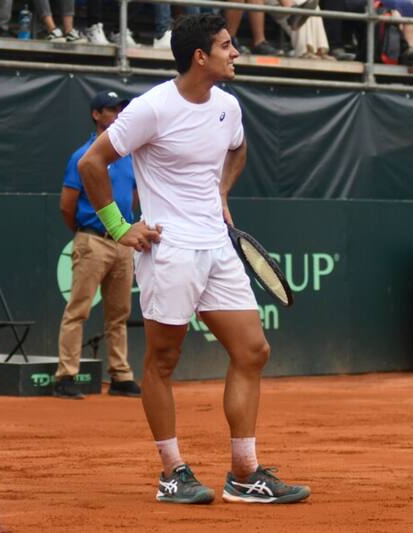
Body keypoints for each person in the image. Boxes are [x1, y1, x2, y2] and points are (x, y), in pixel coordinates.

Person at [77, 14, 310, 504]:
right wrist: (121, 227)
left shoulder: (228, 106)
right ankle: (171, 471)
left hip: (218, 245)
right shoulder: (151, 109)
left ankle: (244, 473)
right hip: (171, 249)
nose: (236, 53)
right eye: (228, 46)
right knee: (164, 360)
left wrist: (220, 193)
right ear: (200, 57)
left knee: (253, 351)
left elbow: (237, 151)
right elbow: (91, 164)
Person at [55, 91, 141, 400]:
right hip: (92, 241)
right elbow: (67, 205)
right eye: (111, 109)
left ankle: (120, 376)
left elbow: (132, 198)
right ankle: (66, 375)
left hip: (123, 244)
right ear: (96, 115)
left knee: (119, 314)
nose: (118, 114)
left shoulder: (129, 157)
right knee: (78, 310)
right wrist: (86, 233)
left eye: (120, 109)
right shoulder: (82, 156)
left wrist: (125, 230)